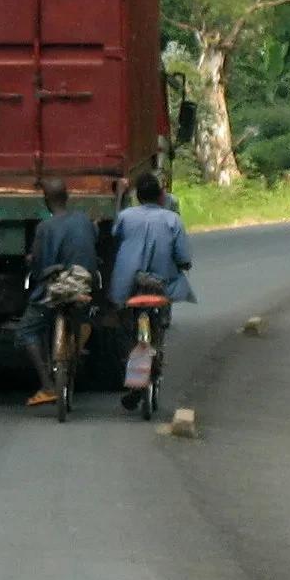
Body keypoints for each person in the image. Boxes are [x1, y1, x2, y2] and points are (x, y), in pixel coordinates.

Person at [109, 171, 195, 410]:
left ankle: (133, 368)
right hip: (160, 284)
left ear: (137, 196)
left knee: (124, 326)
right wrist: (183, 264)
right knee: (162, 320)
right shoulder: (172, 220)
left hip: (129, 285)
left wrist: (119, 197)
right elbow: (183, 256)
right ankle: (155, 357)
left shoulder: (126, 217)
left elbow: (115, 233)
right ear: (160, 196)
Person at [16, 179, 99, 407]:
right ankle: (75, 350)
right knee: (84, 318)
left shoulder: (45, 228)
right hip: (82, 284)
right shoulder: (83, 220)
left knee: (26, 331)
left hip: (55, 288)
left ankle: (47, 385)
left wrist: (31, 261)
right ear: (68, 196)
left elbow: (39, 264)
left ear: (45, 200)